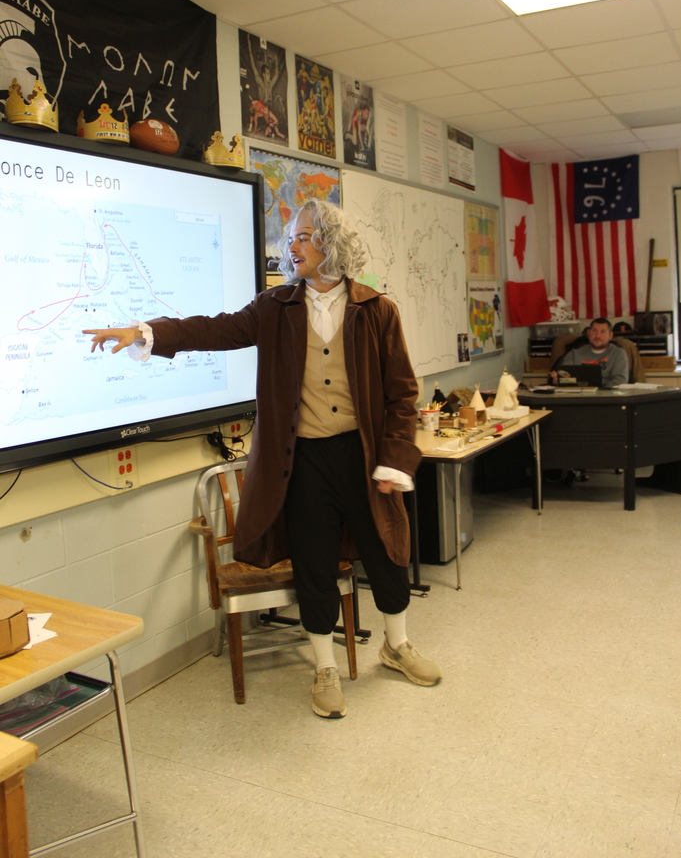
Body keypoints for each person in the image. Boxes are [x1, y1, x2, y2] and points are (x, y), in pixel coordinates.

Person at [83, 200, 441, 719]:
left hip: (363, 457)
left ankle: (397, 645)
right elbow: (214, 329)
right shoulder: (276, 307)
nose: (290, 246)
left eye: (302, 237)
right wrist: (144, 332)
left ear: (330, 242)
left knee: (385, 551)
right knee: (314, 563)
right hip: (302, 462)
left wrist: (395, 459)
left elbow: (403, 394)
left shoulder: (376, 309)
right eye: (290, 238)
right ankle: (324, 666)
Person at [551, 317, 629, 388]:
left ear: (610, 335)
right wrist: (559, 380)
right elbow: (565, 376)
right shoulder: (574, 354)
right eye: (594, 331)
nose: (597, 335)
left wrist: (600, 389)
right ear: (588, 333)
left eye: (603, 332)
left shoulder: (618, 353)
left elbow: (620, 380)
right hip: (580, 395)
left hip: (607, 396)